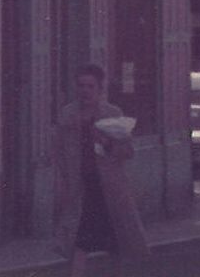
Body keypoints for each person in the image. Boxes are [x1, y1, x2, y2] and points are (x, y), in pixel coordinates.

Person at [54, 64, 148, 275]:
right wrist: (61, 185)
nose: (85, 91)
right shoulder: (67, 115)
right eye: (81, 86)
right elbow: (58, 154)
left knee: (115, 245)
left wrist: (106, 143)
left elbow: (127, 151)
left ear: (99, 89)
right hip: (81, 191)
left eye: (90, 86)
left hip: (108, 191)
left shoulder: (112, 114)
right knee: (77, 245)